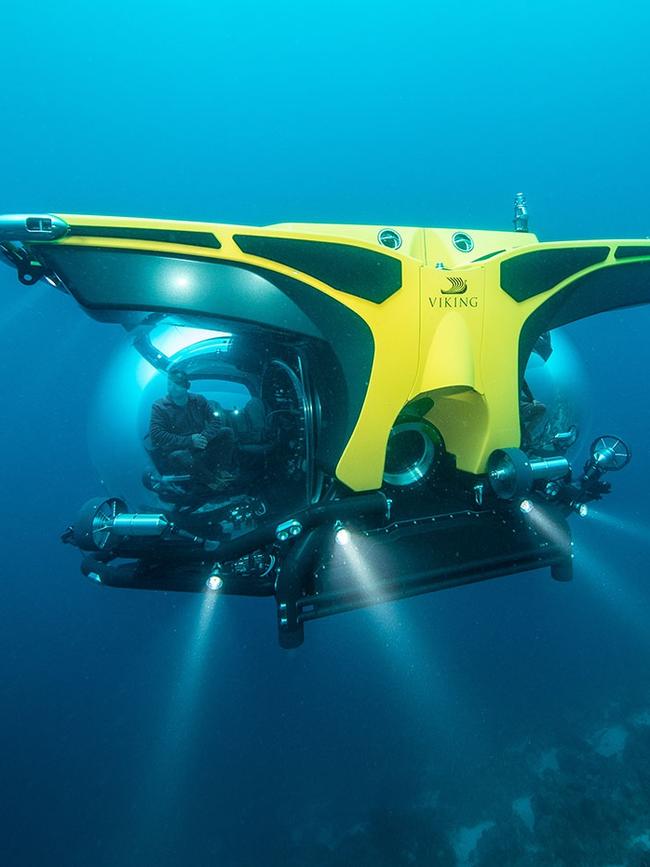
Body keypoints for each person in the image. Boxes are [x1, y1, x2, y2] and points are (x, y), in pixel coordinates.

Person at [149, 368, 237, 491]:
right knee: (181, 456)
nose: (172, 388)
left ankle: (221, 470)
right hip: (177, 449)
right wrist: (189, 440)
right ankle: (211, 482)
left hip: (201, 441)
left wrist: (204, 437)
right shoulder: (159, 406)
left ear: (187, 385)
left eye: (177, 384)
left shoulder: (199, 400)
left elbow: (215, 420)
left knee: (227, 432)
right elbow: (156, 434)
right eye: (169, 384)